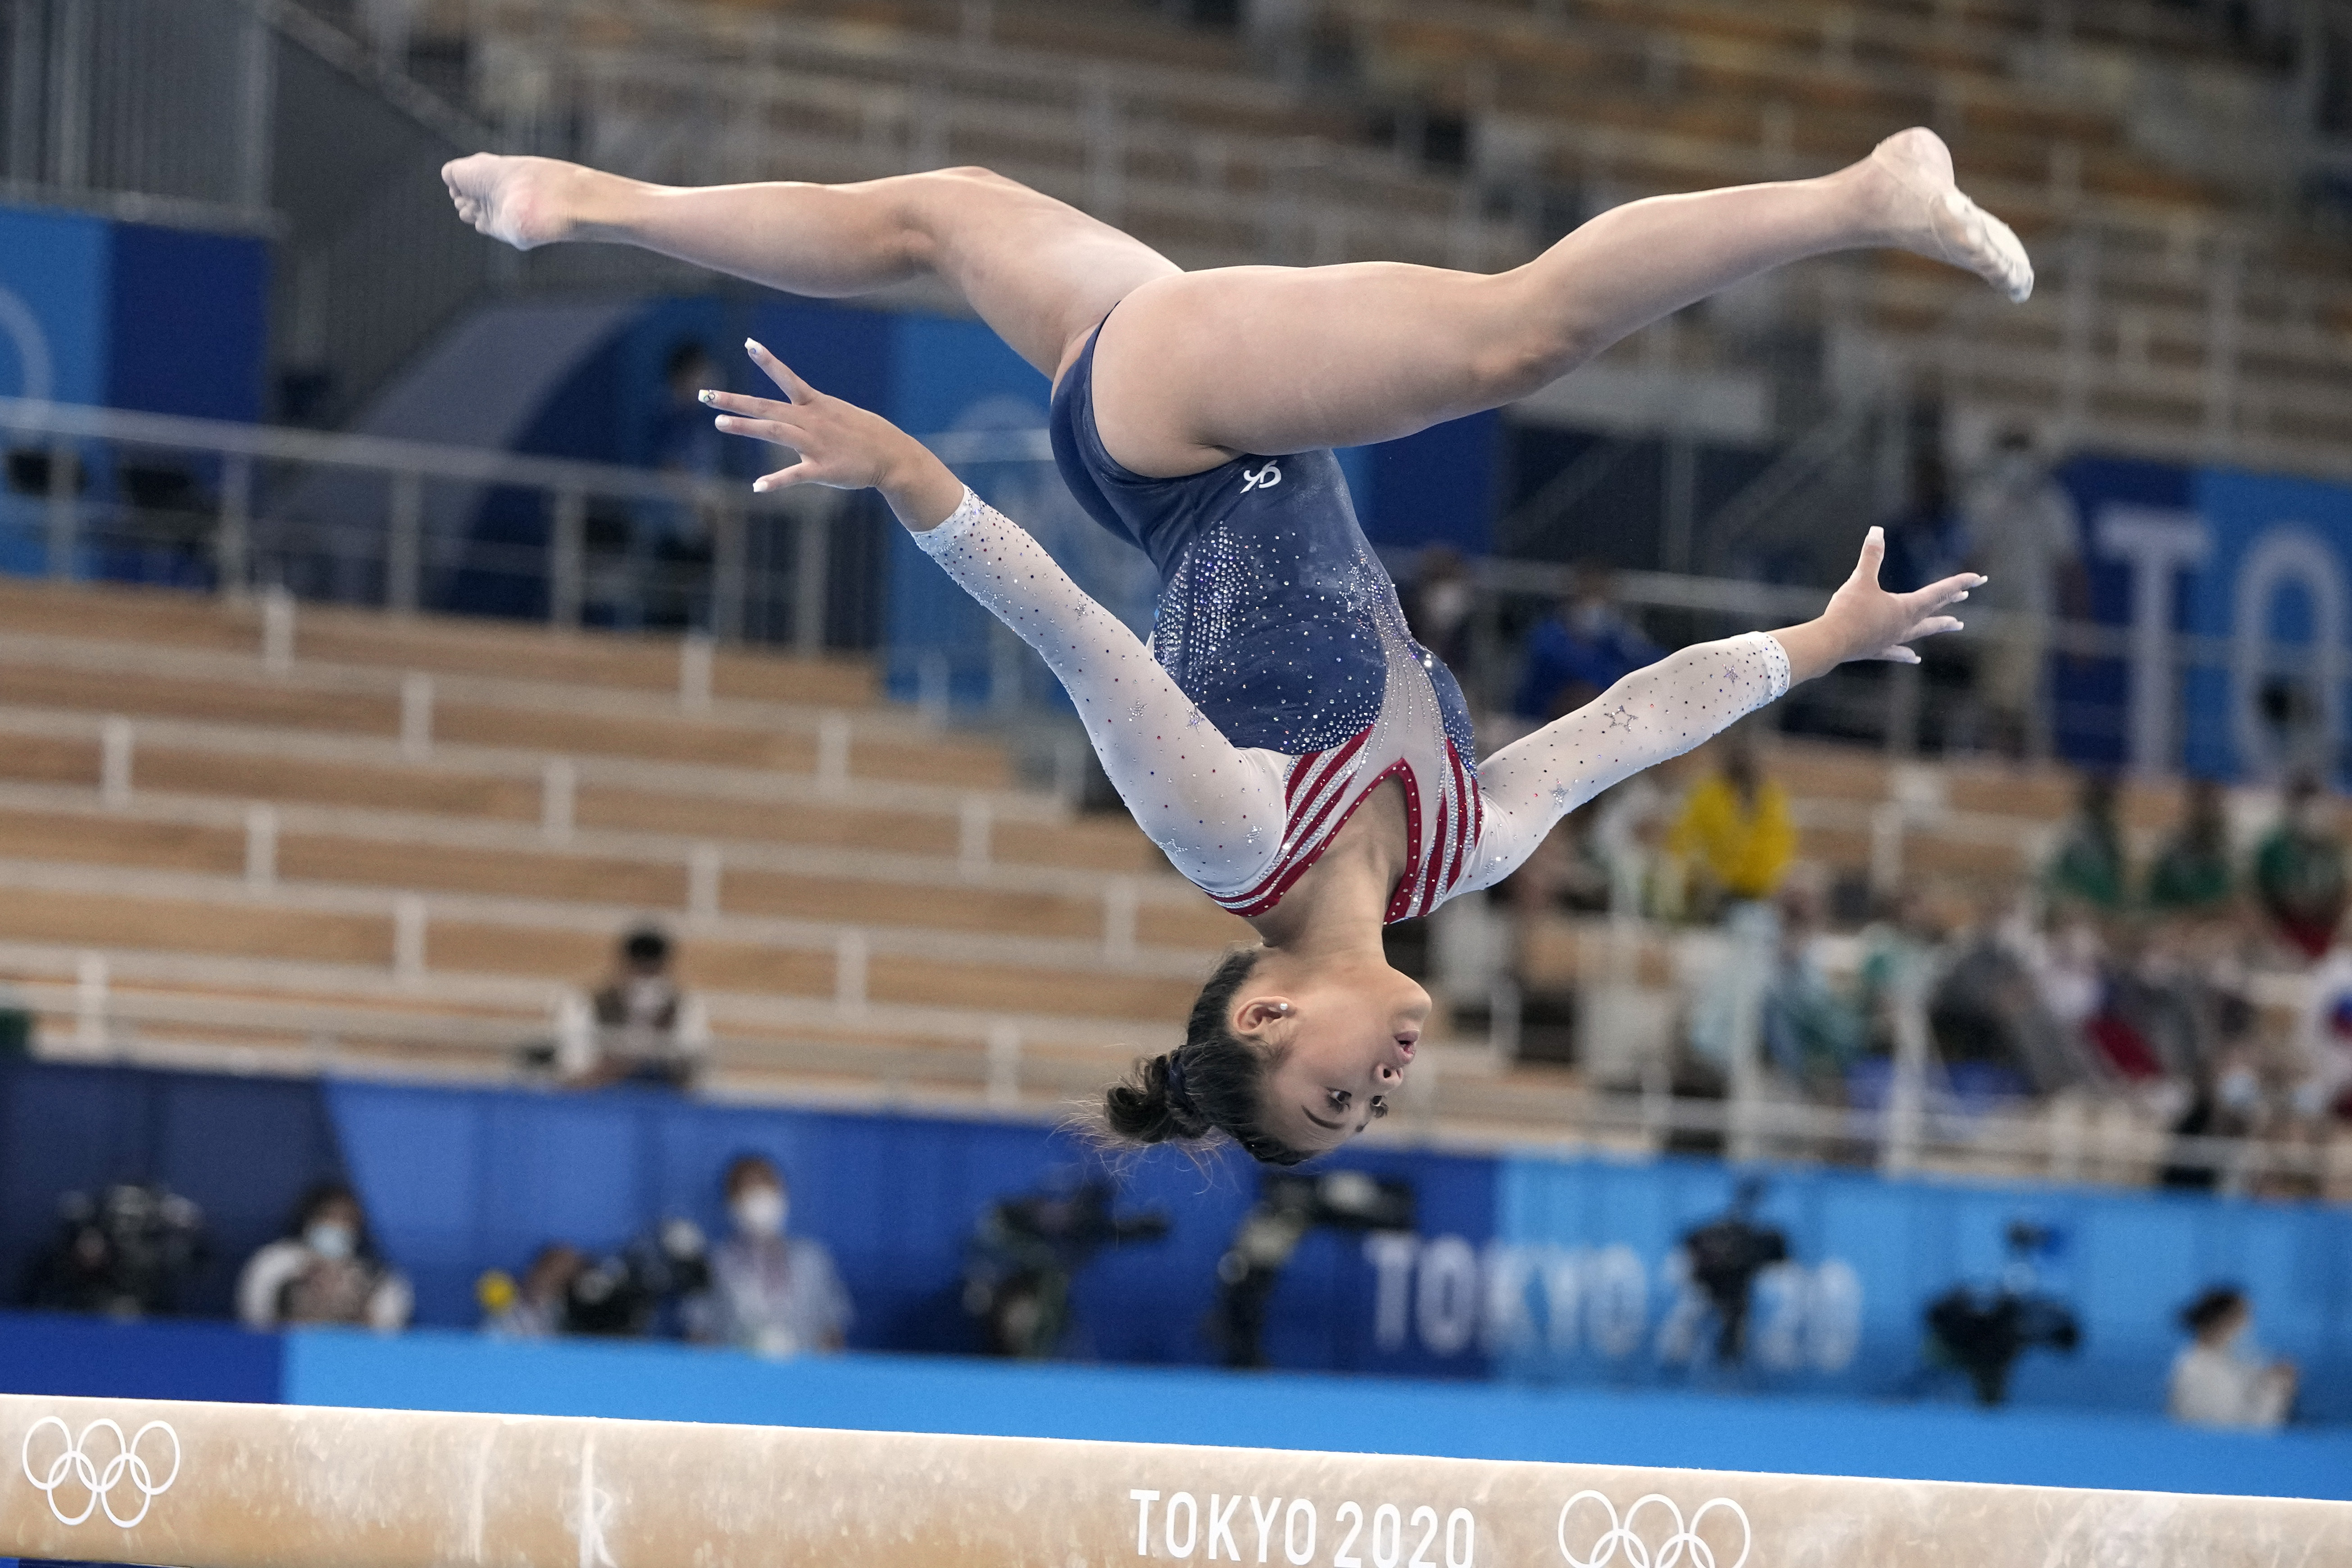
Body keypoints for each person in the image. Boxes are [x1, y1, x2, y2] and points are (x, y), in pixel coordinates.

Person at [445, 125, 2018, 1164]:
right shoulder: (1454, 852)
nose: (1383, 1089)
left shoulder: (1235, 835)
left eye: (1339, 1095)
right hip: (1168, 419)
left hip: (1179, 440)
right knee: (932, 216)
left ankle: (1861, 198)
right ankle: (586, 200)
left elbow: (1081, 647)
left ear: (1262, 1015)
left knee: (1514, 337)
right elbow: (1635, 720)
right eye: (1371, 1112)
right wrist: (1816, 643)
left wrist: (913, 475)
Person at [1958, 426, 2086, 756]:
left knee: (2013, 694)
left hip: (2031, 611)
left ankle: (2008, 755)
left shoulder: (2050, 502)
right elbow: (1972, 555)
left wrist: (2080, 624)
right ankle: (1998, 754)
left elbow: (2068, 566)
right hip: (1990, 608)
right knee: (1990, 692)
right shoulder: (1985, 497)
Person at [683, 1155, 852, 1357]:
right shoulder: (713, 1263)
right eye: (747, 1191)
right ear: (731, 1203)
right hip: (734, 1377)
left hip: (804, 1377)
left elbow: (833, 1334)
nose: (758, 1199)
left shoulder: (813, 1259)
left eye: (766, 1187)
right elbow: (698, 1334)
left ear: (782, 1193)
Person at [236, 1180, 412, 1332]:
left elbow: (387, 1331)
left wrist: (356, 1309)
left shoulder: (376, 1276)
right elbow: (255, 1319)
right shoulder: (274, 1262)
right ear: (308, 1217)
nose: (336, 1224)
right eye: (327, 1215)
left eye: (346, 1218)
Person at [1511, 563, 1665, 725]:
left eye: (1598, 593)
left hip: (1603, 724)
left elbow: (1656, 663)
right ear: (1572, 593)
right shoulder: (1547, 636)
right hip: (1540, 722)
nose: (1593, 602)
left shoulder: (1621, 638)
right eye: (1587, 593)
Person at [1666, 730, 1797, 917]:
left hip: (1756, 892)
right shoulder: (1708, 794)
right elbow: (1683, 841)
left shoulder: (1770, 798)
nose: (1739, 759)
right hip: (1710, 888)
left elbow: (1779, 848)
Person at [568, 925, 708, 1088]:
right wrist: (634, 1052)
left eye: (653, 970)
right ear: (624, 965)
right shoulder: (588, 1003)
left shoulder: (683, 1006)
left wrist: (661, 1030)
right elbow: (575, 1073)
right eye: (639, 968)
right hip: (601, 1100)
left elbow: (694, 1079)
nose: (645, 977)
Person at [2168, 1286, 2295, 1430]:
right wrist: (2275, 1391)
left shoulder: (2231, 1362)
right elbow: (2232, 1431)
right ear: (2220, 1322)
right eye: (2241, 1319)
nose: (2247, 1327)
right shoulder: (2196, 1370)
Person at [2254, 774, 2347, 961]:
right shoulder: (2275, 847)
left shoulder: (2331, 849)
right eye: (2306, 806)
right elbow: (2276, 898)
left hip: (2325, 933)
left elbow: (2341, 892)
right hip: (2283, 932)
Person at [2147, 777, 2235, 916]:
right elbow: (2162, 906)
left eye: (2214, 805)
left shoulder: (2224, 853)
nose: (2211, 813)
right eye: (2205, 806)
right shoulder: (2175, 856)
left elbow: (2231, 898)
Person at [2045, 773, 2128, 914]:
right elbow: (2053, 877)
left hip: (2102, 911)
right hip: (2070, 908)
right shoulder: (2068, 834)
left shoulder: (2112, 837)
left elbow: (2118, 880)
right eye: (2096, 800)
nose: (2100, 807)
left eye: (2104, 802)